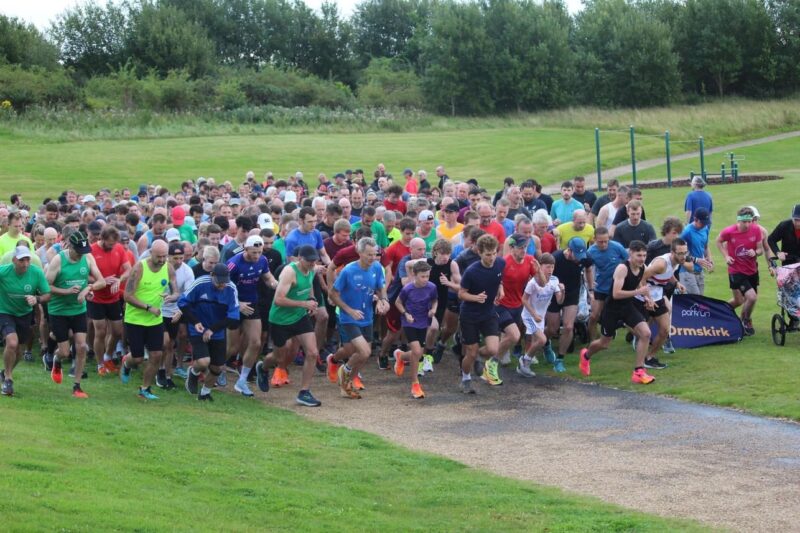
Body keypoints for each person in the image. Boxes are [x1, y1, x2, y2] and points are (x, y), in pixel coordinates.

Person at [579, 240, 656, 385]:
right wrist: (638, 292)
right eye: (639, 255)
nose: (642, 259)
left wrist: (648, 298)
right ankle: (586, 355)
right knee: (604, 343)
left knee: (646, 334)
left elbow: (640, 282)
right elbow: (616, 293)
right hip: (612, 309)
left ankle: (638, 371)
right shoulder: (622, 268)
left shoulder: (642, 268)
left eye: (644, 255)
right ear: (630, 254)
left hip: (627, 307)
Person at [255, 245, 323, 407]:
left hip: (299, 317)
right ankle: (263, 367)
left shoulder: (312, 268)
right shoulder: (289, 272)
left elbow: (309, 285)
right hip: (280, 319)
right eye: (309, 261)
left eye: (314, 261)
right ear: (300, 259)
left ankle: (304, 392)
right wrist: (303, 303)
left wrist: (312, 300)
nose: (312, 264)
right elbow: (278, 299)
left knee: (312, 352)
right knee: (279, 357)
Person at [46, 231, 107, 398]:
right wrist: (65, 291)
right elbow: (46, 286)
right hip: (58, 310)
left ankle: (77, 386)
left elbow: (101, 281)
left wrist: (88, 289)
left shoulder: (87, 257)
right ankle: (56, 361)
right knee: (65, 352)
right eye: (78, 251)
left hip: (79, 309)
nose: (81, 254)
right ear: (70, 246)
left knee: (81, 346)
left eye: (84, 251)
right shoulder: (59, 260)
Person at [329, 237, 389, 399]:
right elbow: (333, 294)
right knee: (364, 351)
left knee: (363, 355)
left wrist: (383, 300)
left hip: (367, 317)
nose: (372, 258)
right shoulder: (348, 271)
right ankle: (344, 370)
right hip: (348, 318)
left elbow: (381, 288)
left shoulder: (376, 267)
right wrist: (349, 310)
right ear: (359, 252)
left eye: (375, 254)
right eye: (369, 254)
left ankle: (346, 383)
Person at [120, 240, 177, 400]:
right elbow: (127, 296)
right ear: (151, 253)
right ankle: (126, 363)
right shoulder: (139, 268)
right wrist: (148, 307)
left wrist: (171, 296)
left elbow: (176, 291)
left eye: (165, 256)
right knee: (137, 358)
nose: (162, 259)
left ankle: (145, 388)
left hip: (155, 320)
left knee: (156, 355)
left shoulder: (168, 267)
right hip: (135, 319)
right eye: (159, 256)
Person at [179, 263, 240, 401]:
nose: (222, 285)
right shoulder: (200, 283)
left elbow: (233, 316)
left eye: (225, 282)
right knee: (203, 362)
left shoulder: (231, 289)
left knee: (218, 368)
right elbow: (182, 303)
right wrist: (195, 322)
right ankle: (193, 372)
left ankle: (205, 392)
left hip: (217, 330)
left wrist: (212, 330)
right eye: (219, 282)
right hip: (197, 328)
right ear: (212, 276)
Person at [227, 235, 279, 396]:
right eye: (253, 252)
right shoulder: (233, 264)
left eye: (259, 252)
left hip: (251, 304)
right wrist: (238, 304)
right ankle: (214, 370)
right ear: (246, 249)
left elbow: (267, 276)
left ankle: (242, 381)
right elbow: (223, 287)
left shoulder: (262, 260)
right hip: (234, 306)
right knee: (232, 347)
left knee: (256, 343)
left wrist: (275, 284)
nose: (257, 256)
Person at [0, 247, 51, 397]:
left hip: (24, 314)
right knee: (12, 343)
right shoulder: (4, 271)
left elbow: (47, 294)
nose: (25, 263)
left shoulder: (36, 273)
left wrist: (37, 299)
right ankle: (8, 380)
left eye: (27, 259)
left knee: (19, 352)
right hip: (4, 312)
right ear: (14, 260)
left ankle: (4, 372)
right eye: (21, 260)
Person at [458, 234, 505, 392]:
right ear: (479, 252)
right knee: (470, 353)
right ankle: (465, 378)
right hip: (470, 314)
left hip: (488, 313)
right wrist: (475, 297)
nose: (491, 258)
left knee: (493, 349)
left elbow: (499, 279)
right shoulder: (471, 271)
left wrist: (500, 289)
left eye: (494, 253)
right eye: (487, 254)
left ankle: (476, 355)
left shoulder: (499, 263)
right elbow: (461, 294)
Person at [544, 237, 593, 372]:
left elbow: (589, 269)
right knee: (552, 328)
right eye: (576, 255)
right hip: (554, 293)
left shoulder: (585, 257)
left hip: (572, 294)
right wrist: (555, 288)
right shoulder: (556, 258)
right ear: (569, 251)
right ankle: (545, 344)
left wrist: (591, 289)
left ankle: (560, 359)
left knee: (568, 326)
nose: (579, 259)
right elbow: (546, 276)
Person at [89, 225, 131, 376]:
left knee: (117, 331)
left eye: (114, 244)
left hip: (113, 297)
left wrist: (119, 280)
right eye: (109, 244)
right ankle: (100, 364)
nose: (112, 247)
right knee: (100, 331)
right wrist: (101, 280)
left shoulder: (119, 249)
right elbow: (84, 275)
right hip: (97, 297)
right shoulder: (91, 251)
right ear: (102, 239)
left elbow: (128, 269)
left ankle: (108, 356)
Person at [393, 261, 438, 399]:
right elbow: (398, 303)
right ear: (414, 275)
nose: (425, 279)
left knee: (417, 353)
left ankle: (401, 356)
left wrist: (433, 310)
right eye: (422, 276)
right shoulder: (407, 289)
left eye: (427, 276)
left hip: (423, 322)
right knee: (418, 352)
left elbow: (435, 300)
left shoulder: (432, 287)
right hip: (409, 322)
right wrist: (406, 314)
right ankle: (415, 383)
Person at [716, 207, 763, 336]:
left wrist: (755, 252)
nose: (747, 225)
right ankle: (745, 320)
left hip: (752, 269)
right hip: (736, 270)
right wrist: (726, 256)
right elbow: (718, 241)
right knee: (751, 297)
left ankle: (721, 312)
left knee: (743, 300)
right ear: (739, 221)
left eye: (750, 221)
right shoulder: (729, 231)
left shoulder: (756, 230)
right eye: (744, 222)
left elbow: (760, 250)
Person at [156, 241, 195, 390]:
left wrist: (180, 310)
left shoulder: (187, 271)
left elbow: (189, 295)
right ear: (168, 257)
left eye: (181, 258)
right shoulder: (160, 268)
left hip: (174, 312)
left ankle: (167, 375)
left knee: (170, 345)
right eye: (175, 258)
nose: (179, 262)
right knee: (164, 343)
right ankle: (159, 371)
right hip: (158, 311)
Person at [518, 253, 563, 377]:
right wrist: (534, 314)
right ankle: (524, 361)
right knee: (542, 339)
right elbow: (524, 300)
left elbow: (559, 301)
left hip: (540, 318)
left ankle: (524, 366)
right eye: (547, 267)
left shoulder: (554, 280)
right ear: (540, 267)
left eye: (552, 267)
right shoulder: (533, 282)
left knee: (536, 342)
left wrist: (562, 291)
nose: (550, 270)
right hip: (529, 316)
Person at [496, 233, 538, 365]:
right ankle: (496, 357)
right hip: (502, 303)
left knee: (516, 331)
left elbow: (538, 281)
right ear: (512, 247)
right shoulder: (503, 262)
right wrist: (499, 290)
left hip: (519, 303)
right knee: (509, 332)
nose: (523, 250)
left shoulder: (530, 260)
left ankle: (500, 353)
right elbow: (495, 280)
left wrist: (540, 273)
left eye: (525, 247)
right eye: (520, 247)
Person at [586, 226, 628, 340]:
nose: (604, 244)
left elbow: (629, 262)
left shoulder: (617, 247)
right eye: (600, 242)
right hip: (601, 288)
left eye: (606, 241)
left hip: (617, 288)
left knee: (623, 315)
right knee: (594, 316)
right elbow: (587, 269)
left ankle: (635, 336)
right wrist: (590, 283)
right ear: (594, 239)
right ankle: (593, 340)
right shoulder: (590, 252)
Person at [679, 208, 713, 295]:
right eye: (702, 223)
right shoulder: (686, 232)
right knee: (695, 298)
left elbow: (705, 246)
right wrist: (696, 260)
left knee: (700, 300)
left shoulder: (705, 229)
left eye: (706, 223)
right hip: (686, 271)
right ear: (695, 219)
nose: (704, 225)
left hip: (699, 270)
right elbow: (679, 255)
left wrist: (709, 260)